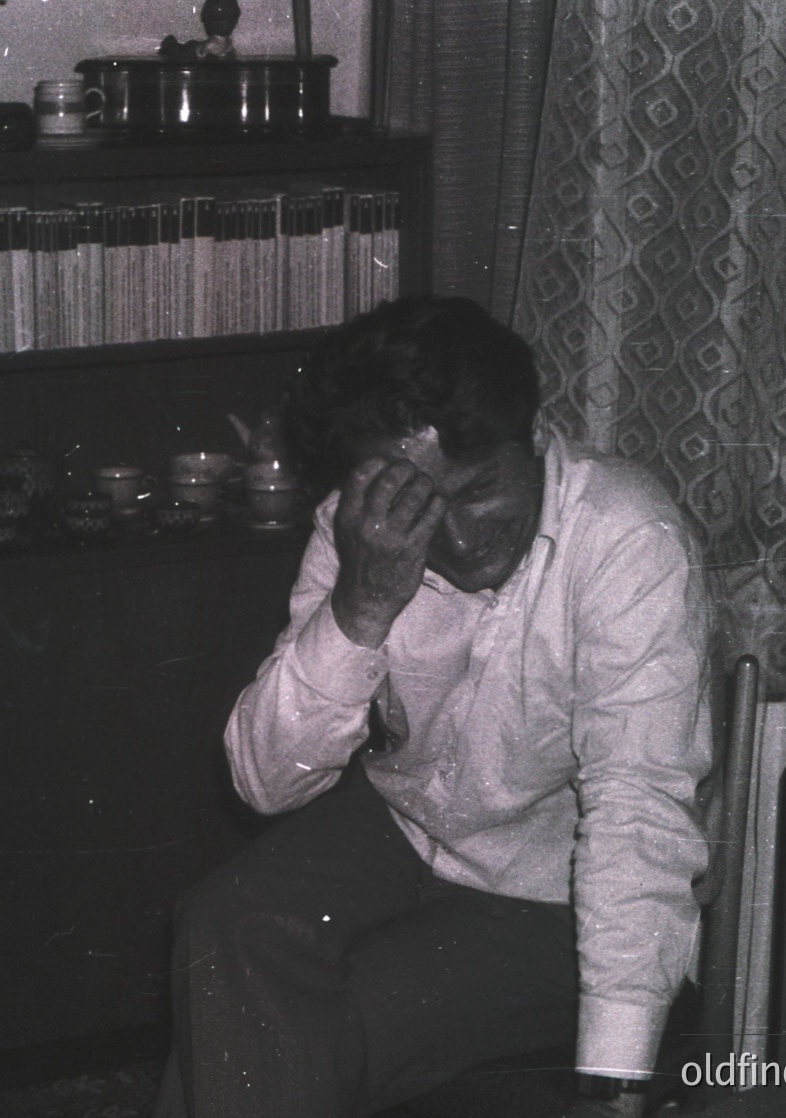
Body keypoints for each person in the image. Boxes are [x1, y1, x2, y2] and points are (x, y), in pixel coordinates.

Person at [153, 295, 715, 1118]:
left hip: (552, 886)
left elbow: (638, 822)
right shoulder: (361, 531)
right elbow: (266, 784)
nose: (455, 538)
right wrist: (363, 602)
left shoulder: (630, 541)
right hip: (404, 824)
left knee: (304, 1030)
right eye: (419, 504)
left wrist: (614, 1090)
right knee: (220, 929)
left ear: (533, 437)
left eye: (481, 488)